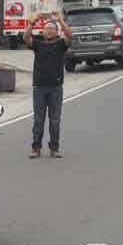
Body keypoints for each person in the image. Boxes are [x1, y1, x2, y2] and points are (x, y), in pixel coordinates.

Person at [24, 11, 72, 159]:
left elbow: (69, 36)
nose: (49, 30)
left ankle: (54, 148)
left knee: (55, 120)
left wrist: (61, 21)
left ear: (56, 32)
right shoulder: (38, 44)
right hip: (39, 88)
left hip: (56, 88)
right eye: (46, 28)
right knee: (38, 120)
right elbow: (26, 38)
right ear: (42, 31)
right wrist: (32, 22)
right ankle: (36, 148)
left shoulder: (60, 44)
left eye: (52, 28)